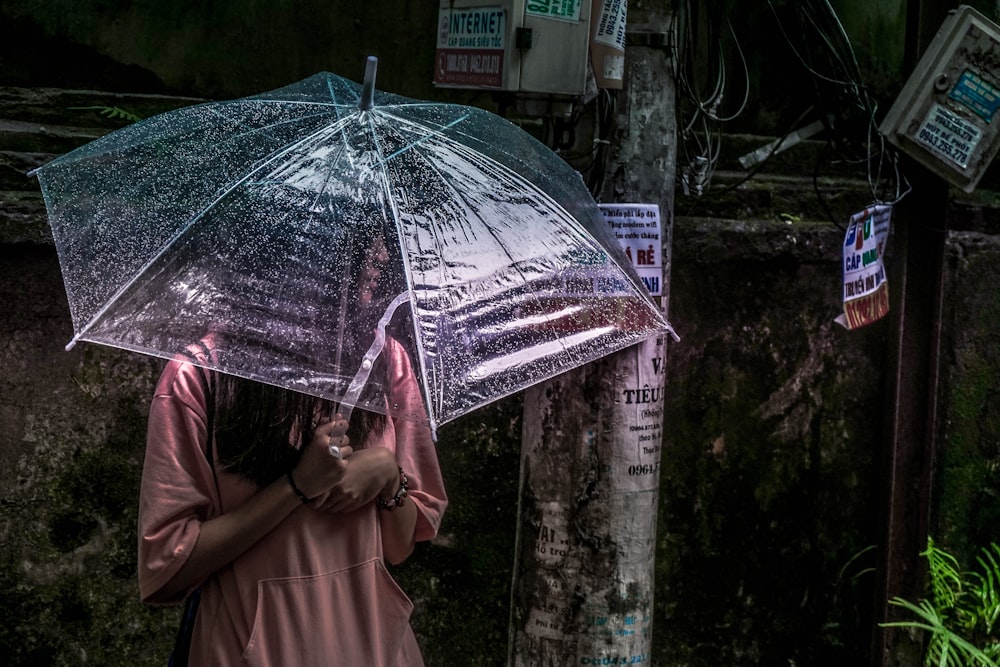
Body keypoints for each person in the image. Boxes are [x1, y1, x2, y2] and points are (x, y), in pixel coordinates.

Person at [137, 229, 448, 665]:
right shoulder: (201, 376)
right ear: (306, 239)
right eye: (361, 234)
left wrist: (386, 475)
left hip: (375, 649)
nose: (380, 254)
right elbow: (164, 573)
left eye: (380, 237)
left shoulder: (385, 361)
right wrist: (296, 486)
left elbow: (398, 548)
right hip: (252, 651)